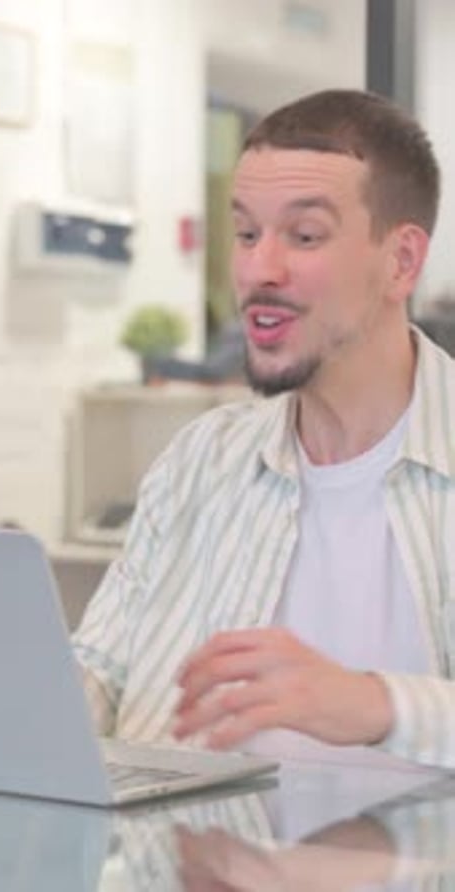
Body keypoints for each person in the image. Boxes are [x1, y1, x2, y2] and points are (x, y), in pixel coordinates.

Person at [72, 88, 455, 769]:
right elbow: (101, 667)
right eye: (247, 234)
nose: (258, 270)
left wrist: (375, 704)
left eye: (304, 236)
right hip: (179, 868)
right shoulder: (201, 459)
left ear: (401, 261)